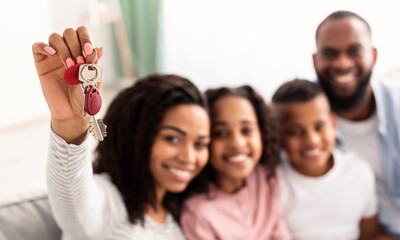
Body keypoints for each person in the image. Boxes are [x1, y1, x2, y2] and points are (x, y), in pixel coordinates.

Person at [32, 27, 211, 239]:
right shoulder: (107, 201)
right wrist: (70, 124)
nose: (189, 157)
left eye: (200, 144)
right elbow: (73, 204)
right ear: (135, 134)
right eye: (172, 138)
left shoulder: (185, 216)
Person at [313, 10, 400, 239]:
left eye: (354, 51)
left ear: (373, 55)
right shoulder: (305, 119)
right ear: (315, 61)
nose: (342, 63)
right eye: (330, 53)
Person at [272, 79, 380, 240]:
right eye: (295, 132)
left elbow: (370, 235)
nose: (312, 141)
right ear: (277, 135)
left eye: (319, 127)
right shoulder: (272, 182)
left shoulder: (358, 172)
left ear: (333, 124)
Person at [180, 86, 292, 240]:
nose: (237, 143)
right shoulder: (198, 213)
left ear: (262, 132)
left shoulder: (265, 178)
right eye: (221, 133)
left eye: (246, 130)